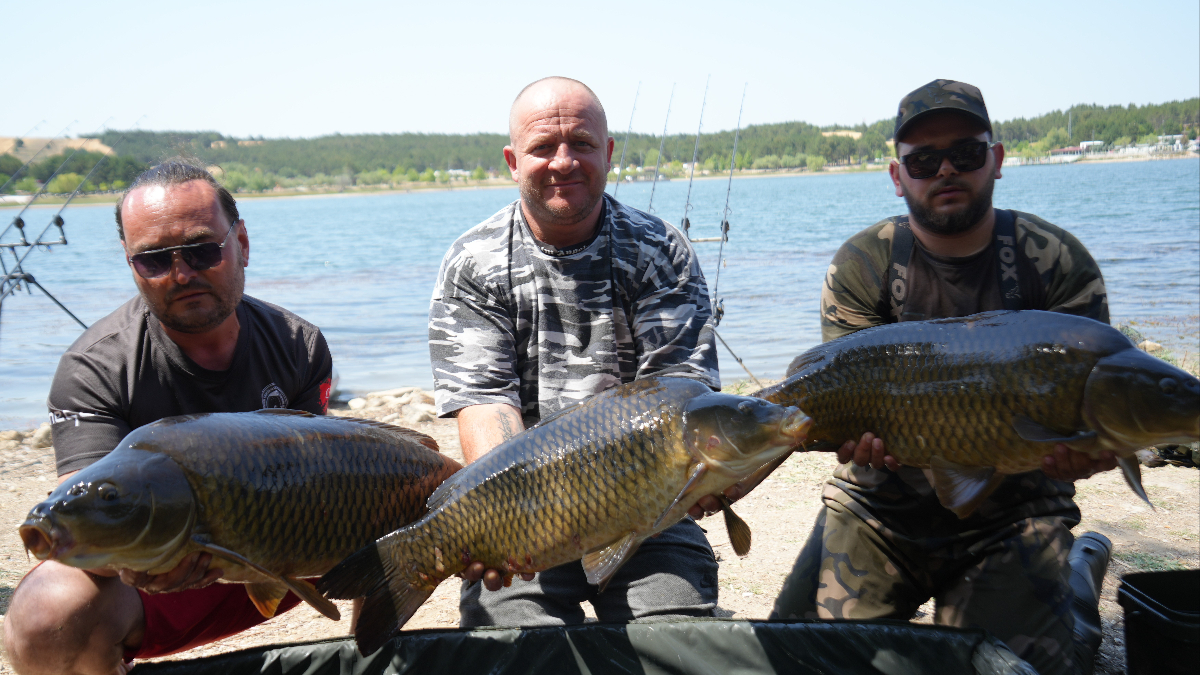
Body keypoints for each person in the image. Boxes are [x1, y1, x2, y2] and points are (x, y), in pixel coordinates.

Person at [766, 80, 1116, 675]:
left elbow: (1102, 415)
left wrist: (1096, 452)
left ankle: (1073, 597)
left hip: (1016, 506)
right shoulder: (863, 264)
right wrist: (858, 441)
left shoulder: (1056, 261)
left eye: (967, 153)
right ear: (898, 176)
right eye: (923, 160)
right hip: (881, 508)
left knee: (1019, 666)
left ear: (997, 160)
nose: (945, 169)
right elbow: (844, 401)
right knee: (795, 657)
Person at [3, 161, 333, 675]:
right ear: (129, 262)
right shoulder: (93, 368)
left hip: (292, 556)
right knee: (46, 612)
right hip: (158, 579)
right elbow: (88, 528)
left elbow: (330, 478)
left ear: (241, 243)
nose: (182, 274)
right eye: (154, 260)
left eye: (202, 250)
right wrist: (144, 562)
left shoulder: (298, 344)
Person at [428, 76, 724, 627]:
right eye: (542, 147)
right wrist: (510, 518)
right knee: (514, 645)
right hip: (527, 507)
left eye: (582, 144)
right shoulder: (473, 262)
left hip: (649, 509)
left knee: (678, 641)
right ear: (513, 161)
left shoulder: (659, 249)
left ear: (607, 153)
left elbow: (681, 397)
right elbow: (487, 406)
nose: (563, 162)